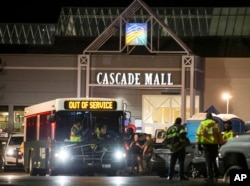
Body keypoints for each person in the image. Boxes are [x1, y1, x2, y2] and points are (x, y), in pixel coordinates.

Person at [196, 113, 222, 182]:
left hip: (206, 144)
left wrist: (199, 144)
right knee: (214, 160)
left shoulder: (202, 123)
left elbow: (198, 134)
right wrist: (220, 143)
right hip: (214, 144)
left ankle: (210, 177)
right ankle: (216, 174)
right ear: (212, 117)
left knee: (208, 161)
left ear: (206, 117)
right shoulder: (215, 124)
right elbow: (219, 134)